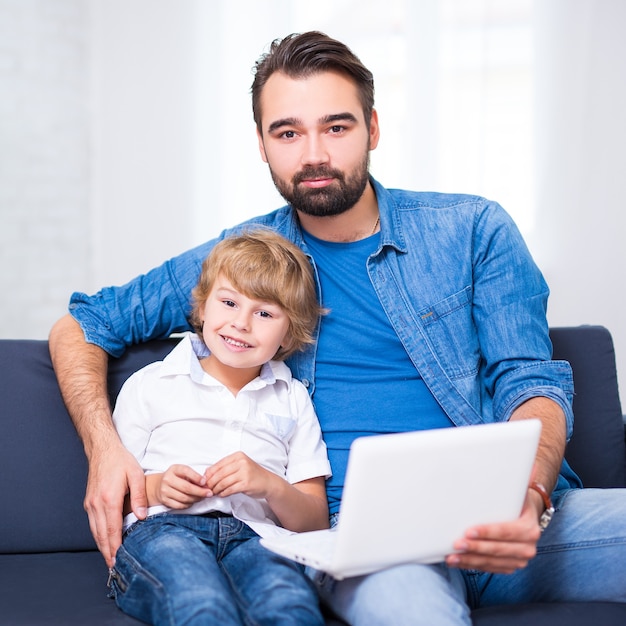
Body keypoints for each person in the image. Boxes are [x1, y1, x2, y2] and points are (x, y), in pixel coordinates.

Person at [49, 31, 626, 625]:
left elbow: (528, 379)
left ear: (372, 129)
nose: (314, 154)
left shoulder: (473, 229)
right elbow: (83, 323)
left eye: (337, 127)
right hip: (365, 541)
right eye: (288, 132)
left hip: (515, 513)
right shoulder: (243, 261)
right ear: (262, 144)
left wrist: (528, 496)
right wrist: (105, 448)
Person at [107, 229, 330, 626]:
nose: (241, 323)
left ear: (289, 332)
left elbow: (313, 521)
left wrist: (268, 484)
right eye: (228, 302)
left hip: (258, 537)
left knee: (288, 606)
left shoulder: (293, 397)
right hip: (164, 530)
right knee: (201, 605)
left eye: (264, 313)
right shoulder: (151, 384)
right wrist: (158, 488)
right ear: (203, 307)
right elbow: (112, 496)